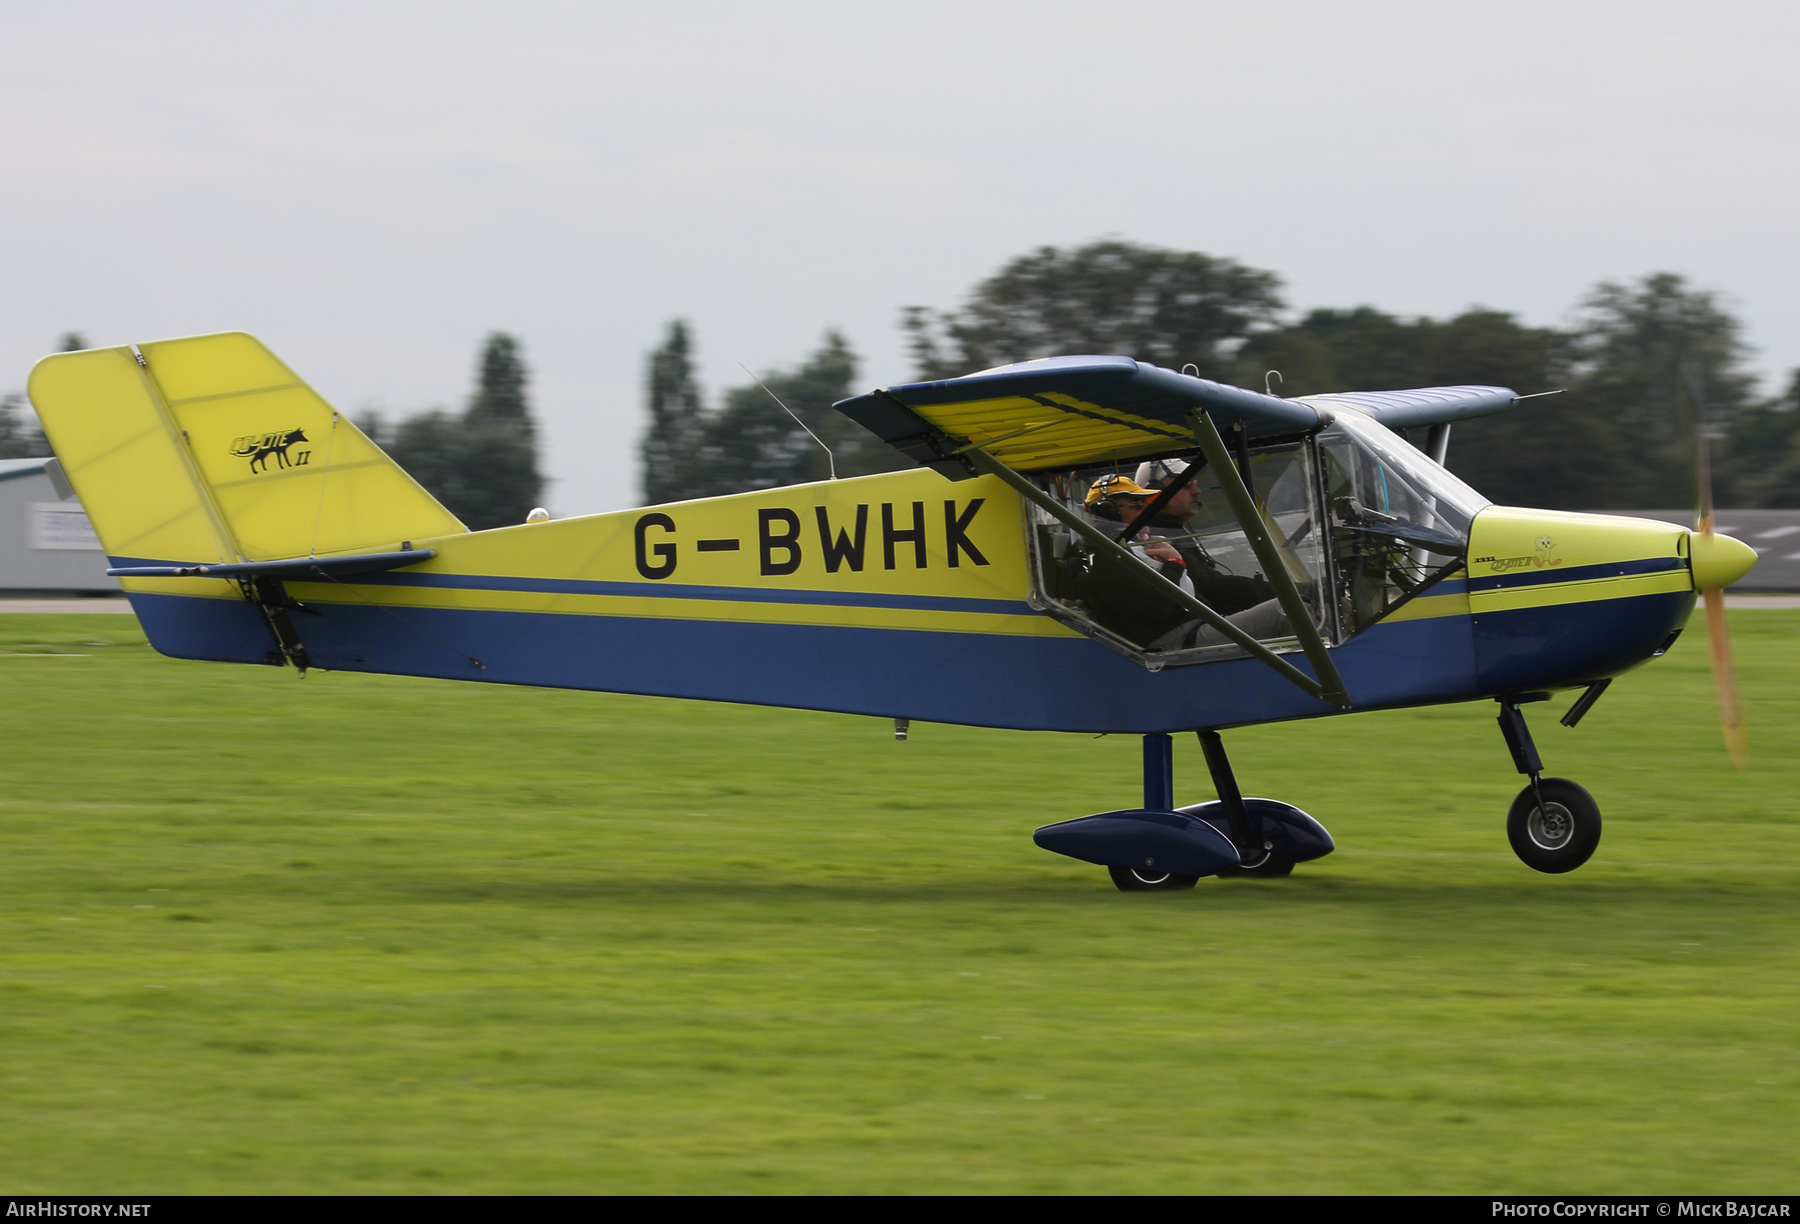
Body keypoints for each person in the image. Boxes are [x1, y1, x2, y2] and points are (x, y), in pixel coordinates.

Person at [1130, 457, 1290, 649]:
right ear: (1155, 491)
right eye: (1186, 484)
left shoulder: (1174, 531)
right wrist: (1291, 593)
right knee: (1290, 613)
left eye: (1194, 483)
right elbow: (1214, 586)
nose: (1196, 491)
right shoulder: (1156, 541)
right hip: (1187, 634)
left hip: (1200, 623)